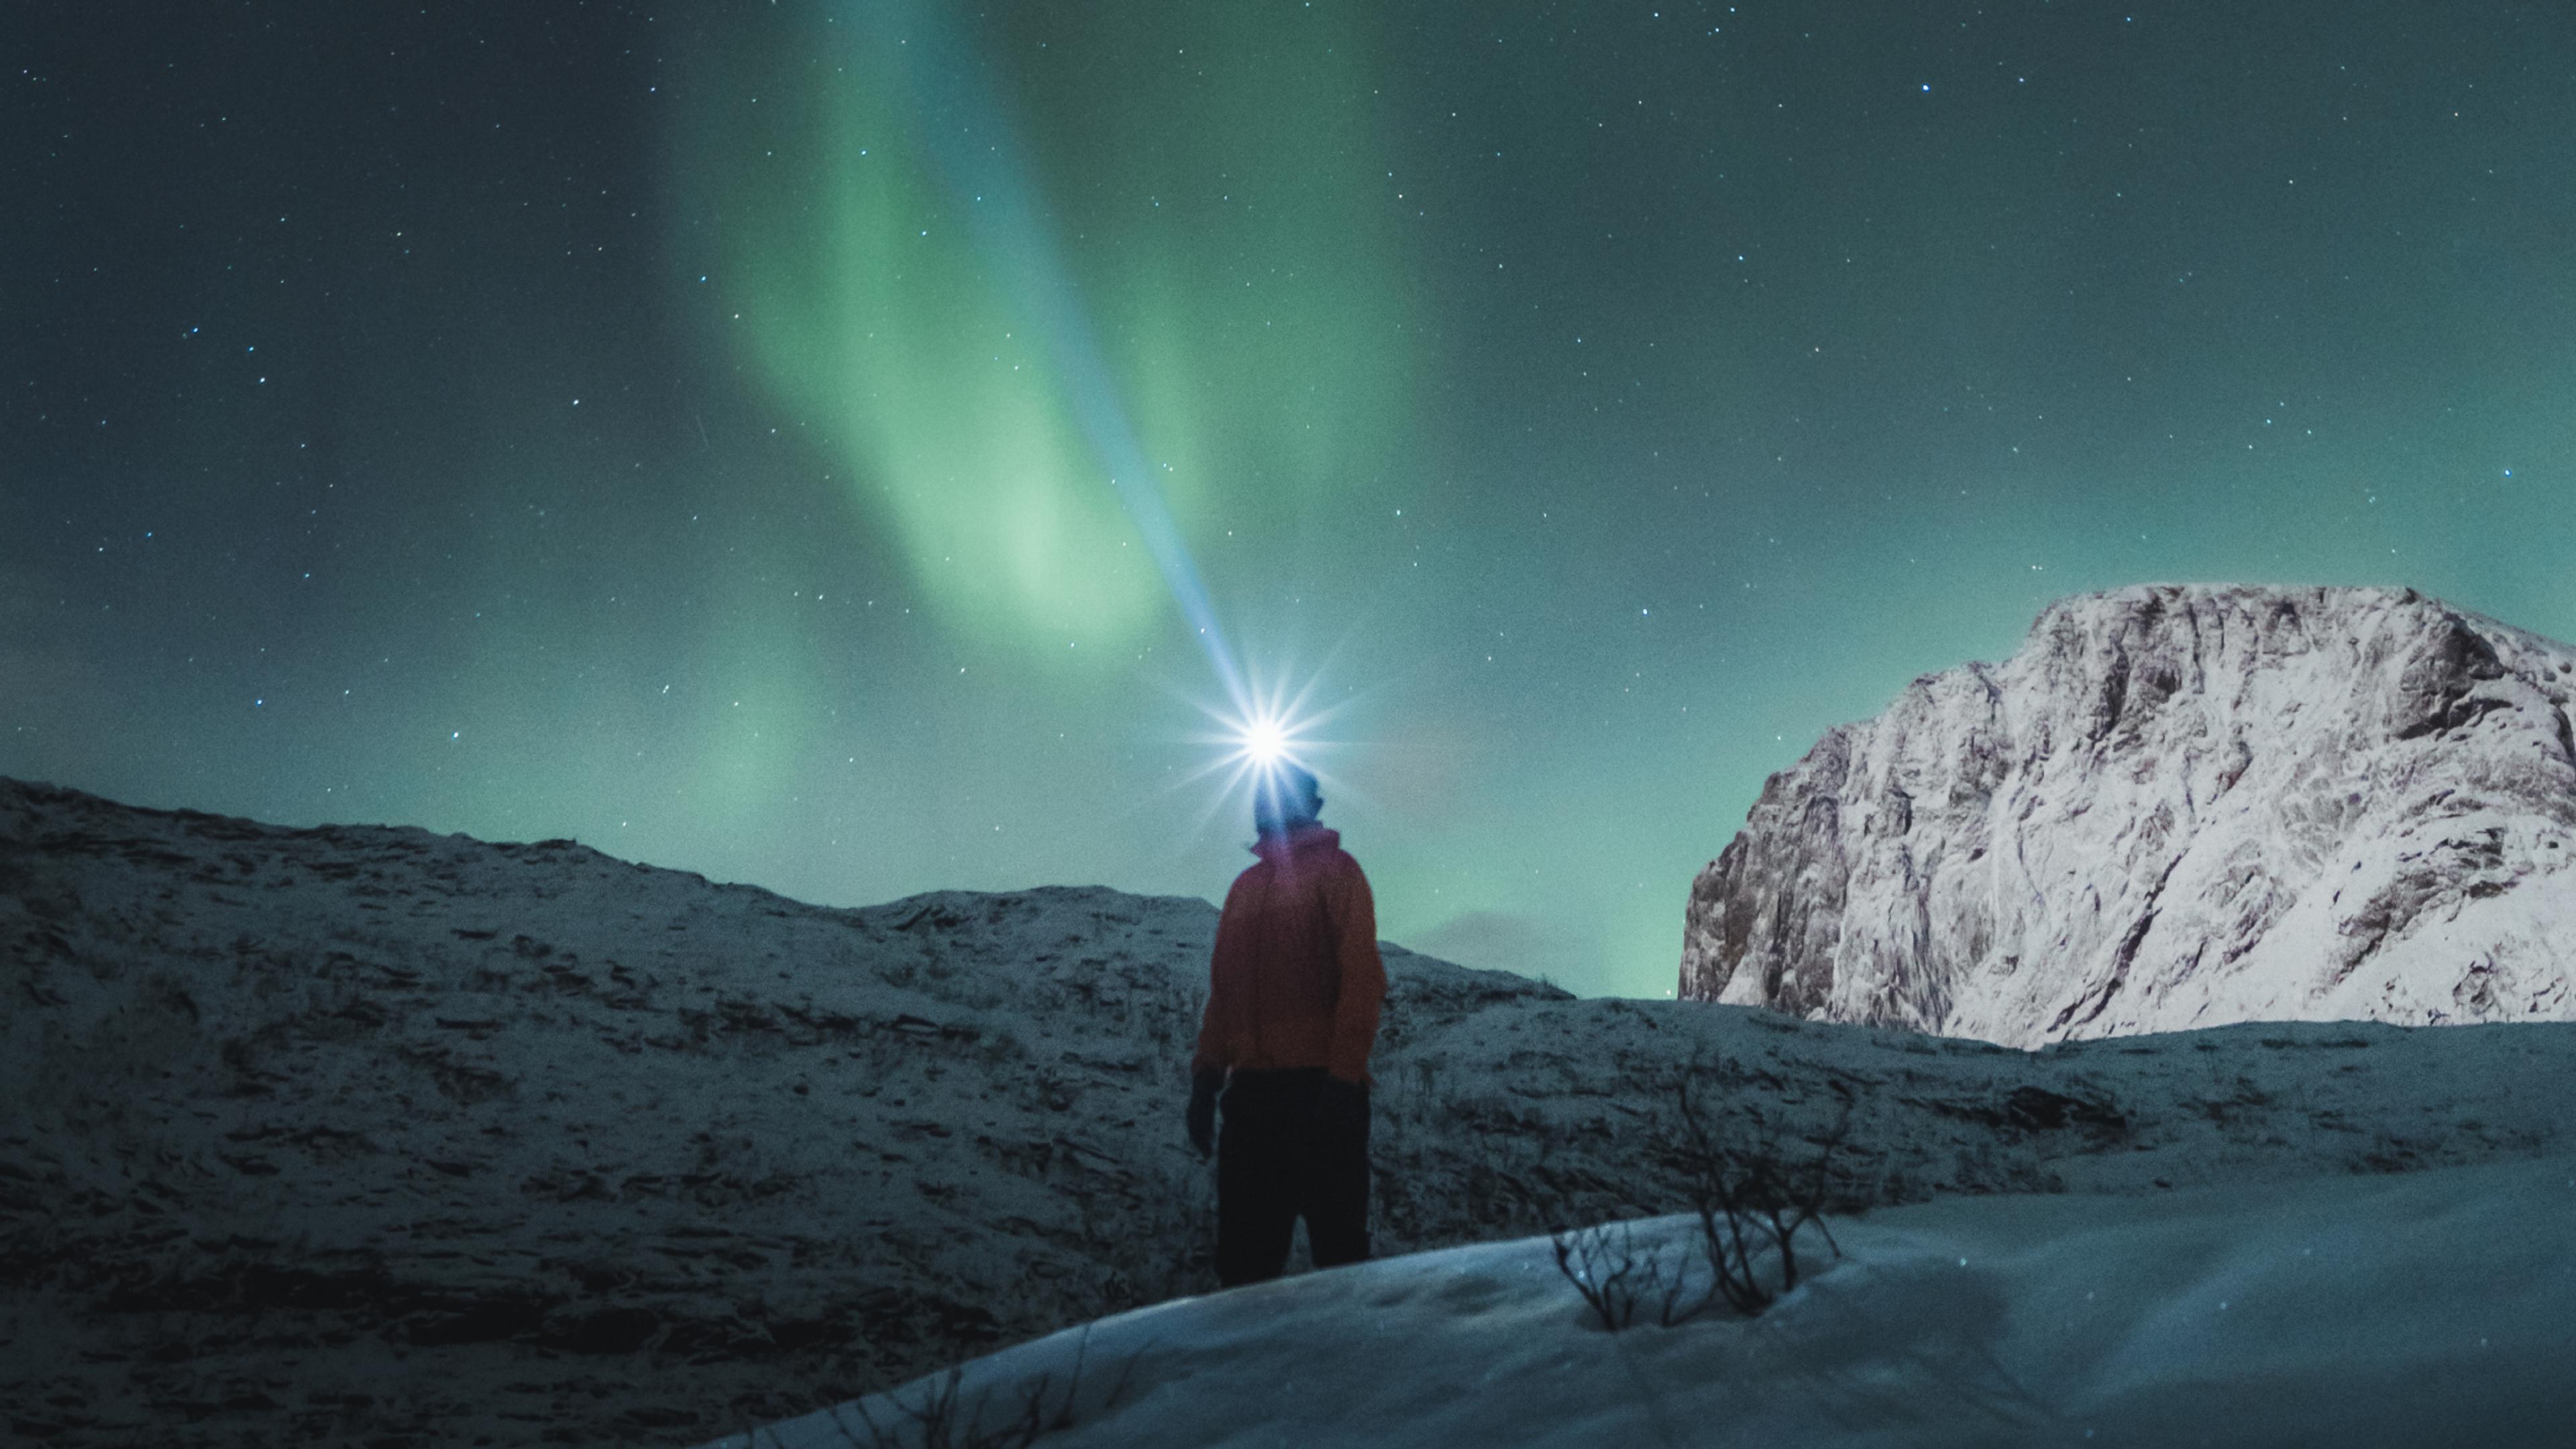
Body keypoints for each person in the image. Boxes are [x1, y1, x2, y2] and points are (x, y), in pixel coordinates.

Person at [1185, 763, 1386, 1286]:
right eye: (1260, 797)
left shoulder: (1338, 872)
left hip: (1322, 1093)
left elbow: (1362, 979)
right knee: (1244, 1269)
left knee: (1340, 1263)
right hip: (1253, 1101)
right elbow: (1224, 994)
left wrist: (1342, 1080)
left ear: (1308, 805)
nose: (1263, 806)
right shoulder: (1244, 888)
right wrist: (1207, 1079)